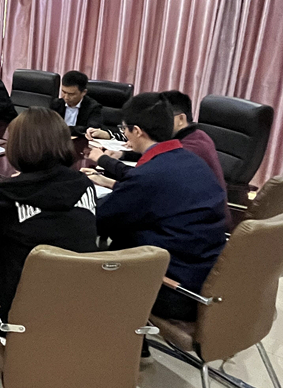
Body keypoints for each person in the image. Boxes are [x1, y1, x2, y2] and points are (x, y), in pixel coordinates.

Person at [89, 93, 227, 326]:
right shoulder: (193, 161)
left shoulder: (149, 177)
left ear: (136, 131)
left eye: (124, 129)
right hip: (206, 274)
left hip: (174, 289)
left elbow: (98, 221)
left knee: (80, 266)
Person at [0, 107, 98, 336]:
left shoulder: (9, 195)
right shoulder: (85, 185)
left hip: (20, 304)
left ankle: (6, 356)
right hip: (81, 300)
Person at [88, 91, 227, 191]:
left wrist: (104, 161)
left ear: (181, 119)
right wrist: (123, 155)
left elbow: (145, 180)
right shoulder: (195, 135)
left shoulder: (189, 149)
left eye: (165, 116)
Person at [50, 70, 103, 135]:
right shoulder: (56, 104)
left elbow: (93, 129)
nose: (66, 97)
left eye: (71, 94)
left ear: (83, 92)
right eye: (64, 92)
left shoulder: (93, 107)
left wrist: (65, 129)